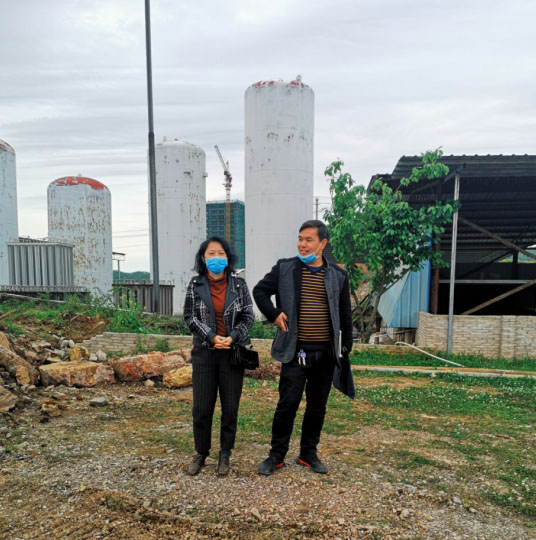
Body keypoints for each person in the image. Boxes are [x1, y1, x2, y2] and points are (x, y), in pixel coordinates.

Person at [253, 220, 354, 475]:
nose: (302, 244)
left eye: (309, 240)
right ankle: (276, 456)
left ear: (322, 243)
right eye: (300, 239)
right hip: (295, 352)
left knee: (317, 406)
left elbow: (345, 314)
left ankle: (308, 454)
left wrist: (345, 349)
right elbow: (260, 291)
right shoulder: (285, 268)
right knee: (287, 404)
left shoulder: (338, 276)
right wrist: (274, 314)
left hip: (325, 354)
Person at [183, 236, 254, 477]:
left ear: (228, 257)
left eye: (220, 253)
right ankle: (201, 453)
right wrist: (212, 337)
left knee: (230, 407)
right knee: (202, 407)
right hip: (205, 353)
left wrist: (232, 337)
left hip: (232, 354)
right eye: (210, 254)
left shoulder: (239, 285)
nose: (216, 258)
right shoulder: (195, 285)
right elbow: (190, 317)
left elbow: (248, 317)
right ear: (203, 259)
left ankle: (225, 453)